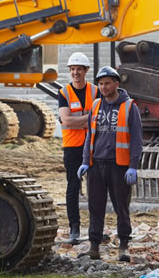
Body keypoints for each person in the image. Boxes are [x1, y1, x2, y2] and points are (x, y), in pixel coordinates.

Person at [77, 66, 143, 261]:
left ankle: (123, 246)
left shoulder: (130, 107)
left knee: (121, 207)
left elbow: (137, 139)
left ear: (116, 83)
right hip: (97, 165)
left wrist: (133, 165)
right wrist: (85, 162)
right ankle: (94, 247)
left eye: (107, 83)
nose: (103, 87)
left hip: (119, 166)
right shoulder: (96, 105)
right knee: (95, 207)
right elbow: (90, 135)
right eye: (101, 83)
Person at [58, 52, 99, 245]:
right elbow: (66, 120)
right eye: (73, 69)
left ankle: (95, 229)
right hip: (72, 147)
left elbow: (101, 118)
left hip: (93, 145)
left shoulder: (96, 91)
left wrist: (79, 121)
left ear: (86, 71)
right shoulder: (64, 93)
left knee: (96, 188)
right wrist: (89, 119)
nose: (75, 73)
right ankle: (74, 227)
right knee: (73, 187)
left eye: (79, 69)